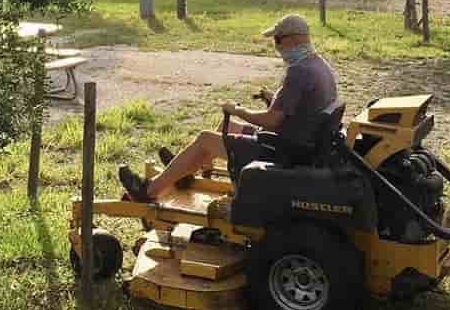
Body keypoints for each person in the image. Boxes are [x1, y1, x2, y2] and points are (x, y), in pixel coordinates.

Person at [118, 14, 338, 202]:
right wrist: (273, 98)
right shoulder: (319, 65)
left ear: (289, 40)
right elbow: (301, 108)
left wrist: (238, 109)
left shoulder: (298, 72)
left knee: (205, 138)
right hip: (301, 141)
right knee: (228, 126)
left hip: (281, 151)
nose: (276, 46)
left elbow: (271, 120)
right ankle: (185, 172)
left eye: (277, 40)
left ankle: (148, 190)